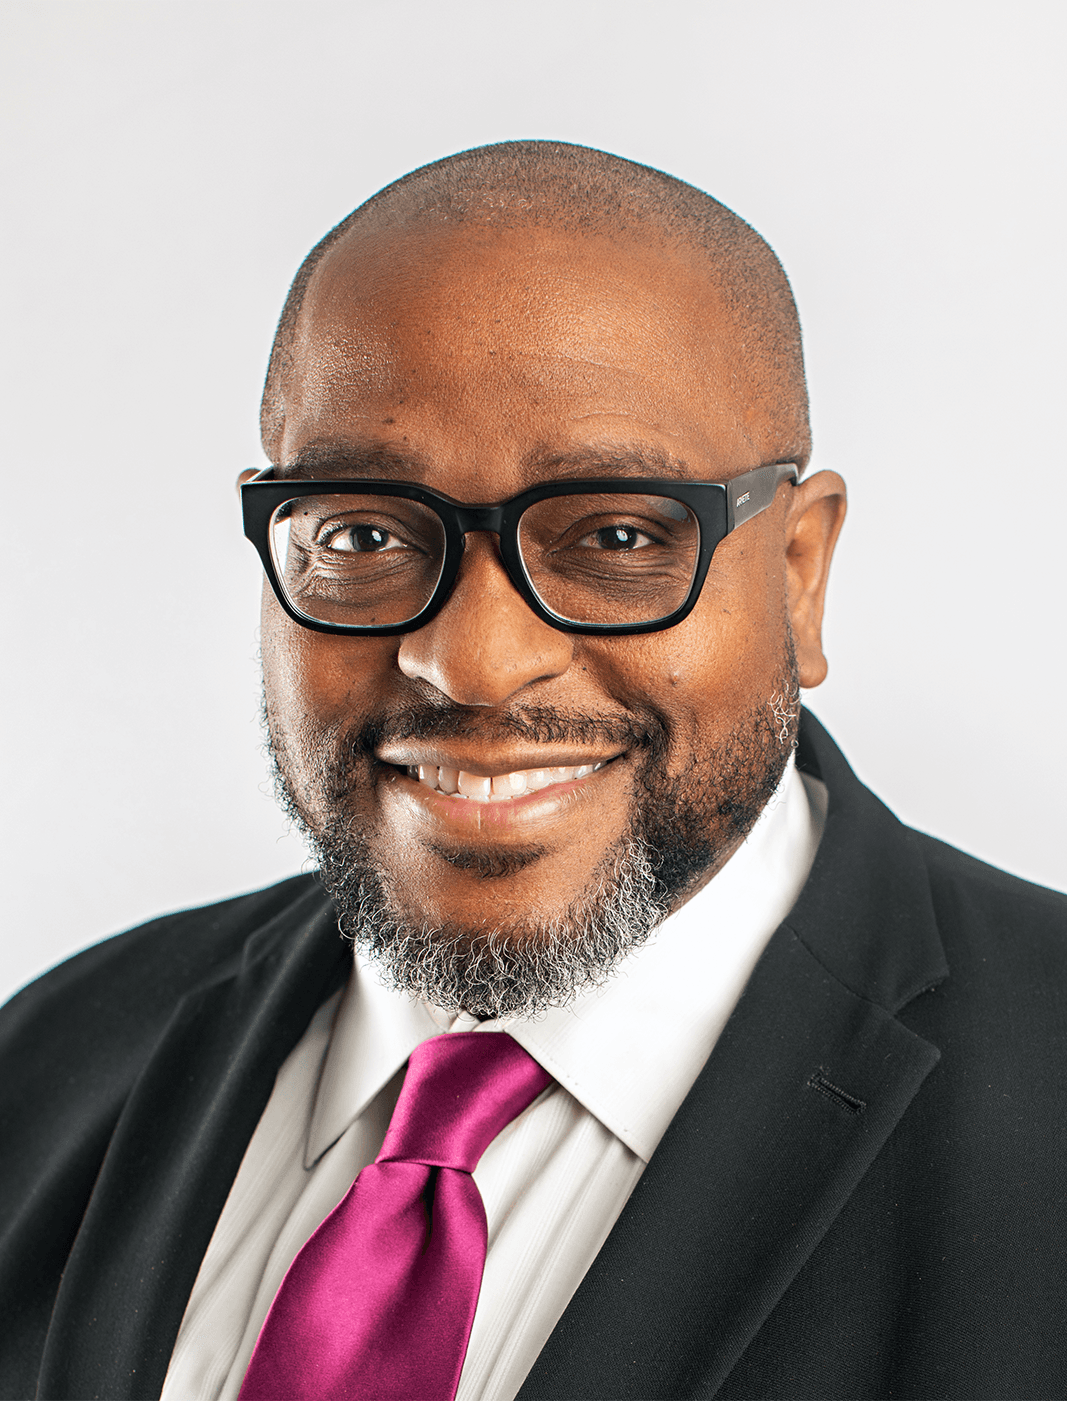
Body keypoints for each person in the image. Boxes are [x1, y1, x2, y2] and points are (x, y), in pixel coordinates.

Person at [2, 141, 1065, 1401]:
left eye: (614, 534)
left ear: (797, 573)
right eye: (363, 533)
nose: (472, 664)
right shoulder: (53, 1062)